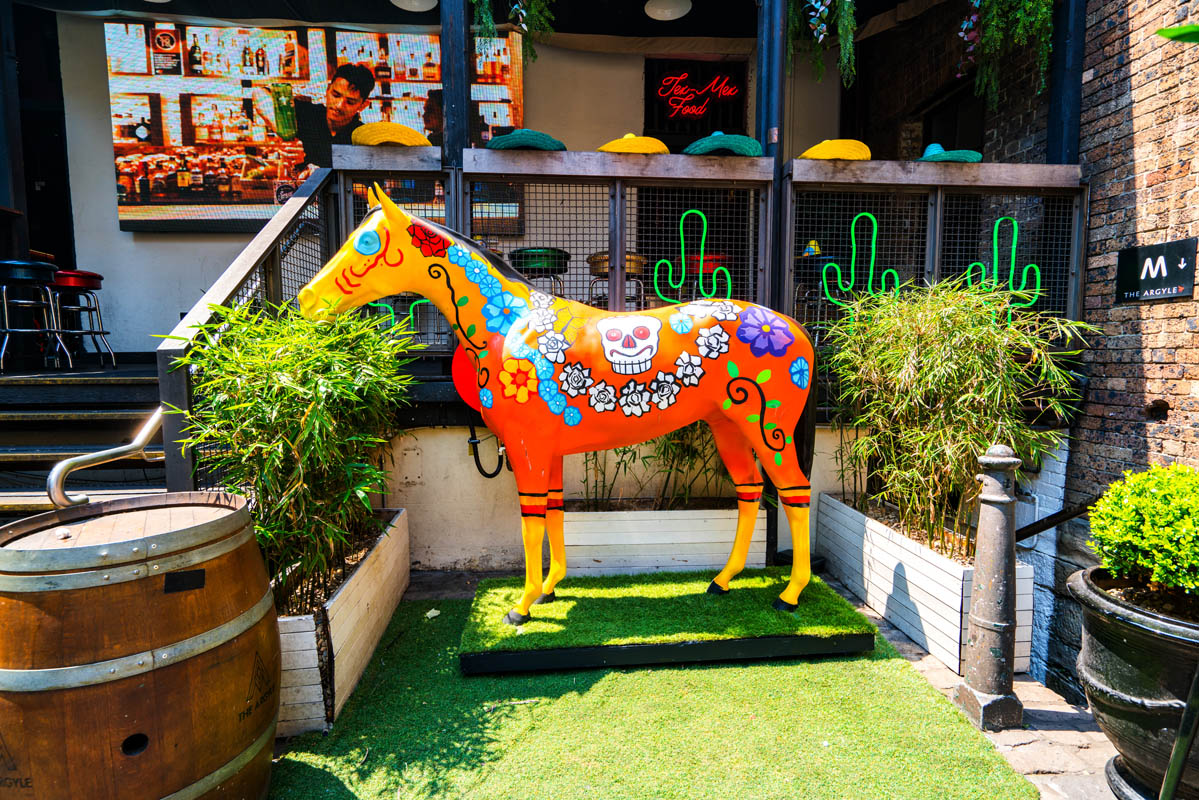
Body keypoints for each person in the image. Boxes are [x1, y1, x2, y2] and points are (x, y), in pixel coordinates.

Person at [254, 63, 374, 176]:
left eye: (350, 102)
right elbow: (259, 94)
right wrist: (287, 135)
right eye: (336, 95)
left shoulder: (362, 139)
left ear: (363, 105)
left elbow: (364, 185)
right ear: (327, 89)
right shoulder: (308, 114)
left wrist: (321, 175)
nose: (339, 105)